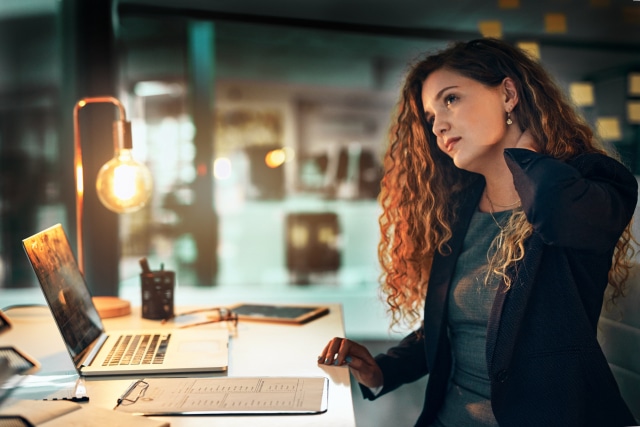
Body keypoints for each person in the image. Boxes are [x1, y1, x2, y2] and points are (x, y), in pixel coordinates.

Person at [317, 38, 638, 427]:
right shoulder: (459, 208)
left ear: (507, 93)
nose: (438, 124)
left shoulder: (590, 183)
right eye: (430, 115)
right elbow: (456, 328)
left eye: (450, 99)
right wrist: (381, 370)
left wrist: (526, 153)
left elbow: (555, 212)